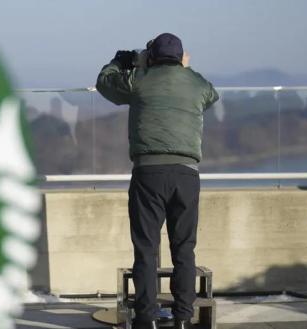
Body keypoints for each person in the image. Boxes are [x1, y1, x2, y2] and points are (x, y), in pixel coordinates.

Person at [96, 33, 218, 329]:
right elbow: (211, 95)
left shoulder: (138, 79)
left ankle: (146, 319)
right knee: (184, 250)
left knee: (146, 249)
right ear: (180, 57)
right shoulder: (196, 83)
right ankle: (183, 319)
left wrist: (121, 61)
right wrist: (185, 71)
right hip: (187, 175)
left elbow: (104, 83)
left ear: (152, 56)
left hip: (148, 174)